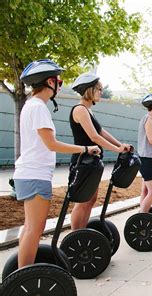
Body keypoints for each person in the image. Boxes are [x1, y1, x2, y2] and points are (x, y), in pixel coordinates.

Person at [13, 59, 100, 268]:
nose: (60, 87)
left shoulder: (30, 106)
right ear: (50, 82)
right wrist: (85, 148)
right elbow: (51, 144)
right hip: (35, 174)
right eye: (59, 82)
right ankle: (23, 277)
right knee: (35, 228)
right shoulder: (39, 108)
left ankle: (21, 274)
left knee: (30, 227)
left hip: (29, 173)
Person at [69, 73, 130, 230]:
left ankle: (83, 233)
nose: (101, 92)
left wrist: (120, 144)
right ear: (89, 89)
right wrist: (117, 149)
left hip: (92, 162)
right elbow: (94, 137)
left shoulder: (89, 111)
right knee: (83, 201)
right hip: (82, 162)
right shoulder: (80, 110)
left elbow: (102, 132)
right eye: (99, 89)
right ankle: (76, 237)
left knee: (90, 199)